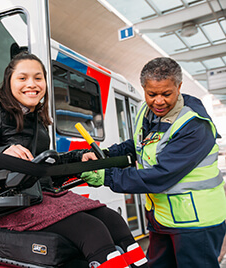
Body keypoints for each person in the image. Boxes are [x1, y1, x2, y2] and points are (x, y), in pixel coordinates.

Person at [0, 52, 148, 268]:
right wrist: (4, 150)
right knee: (92, 230)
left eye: (38, 78)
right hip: (10, 203)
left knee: (114, 221)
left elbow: (45, 162)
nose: (31, 84)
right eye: (22, 78)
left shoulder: (38, 121)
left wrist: (78, 156)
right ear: (9, 82)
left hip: (42, 196)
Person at [81, 57, 226, 267]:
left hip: (196, 223)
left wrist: (107, 176)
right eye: (152, 94)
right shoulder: (147, 112)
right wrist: (104, 155)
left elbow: (161, 175)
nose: (158, 101)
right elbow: (137, 144)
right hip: (162, 218)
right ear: (144, 89)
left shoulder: (194, 126)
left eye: (166, 94)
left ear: (179, 87)